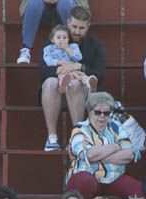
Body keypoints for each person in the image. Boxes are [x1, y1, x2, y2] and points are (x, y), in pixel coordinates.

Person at [65, 91, 146, 199]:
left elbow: (129, 155)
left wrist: (99, 155)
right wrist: (115, 146)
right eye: (98, 112)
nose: (102, 116)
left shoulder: (116, 126)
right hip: (88, 175)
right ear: (90, 112)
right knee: (84, 181)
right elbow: (87, 155)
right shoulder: (79, 128)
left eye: (106, 113)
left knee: (137, 188)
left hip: (114, 177)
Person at [38, 5, 103, 151]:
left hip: (81, 91)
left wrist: (79, 67)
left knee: (74, 84)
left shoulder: (95, 45)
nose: (77, 31)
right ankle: (52, 138)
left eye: (82, 28)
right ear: (68, 22)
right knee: (49, 82)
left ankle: (77, 137)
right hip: (55, 91)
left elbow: (100, 74)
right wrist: (60, 69)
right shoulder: (55, 40)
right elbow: (41, 72)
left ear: (88, 26)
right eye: (74, 26)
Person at [18, 0, 73, 65]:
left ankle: (72, 48)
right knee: (34, 3)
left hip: (66, 8)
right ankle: (26, 49)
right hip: (42, 8)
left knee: (66, 3)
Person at [43, 25, 90, 93]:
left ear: (68, 39)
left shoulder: (73, 47)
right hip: (61, 69)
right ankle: (63, 84)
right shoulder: (49, 49)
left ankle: (89, 82)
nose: (62, 39)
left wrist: (68, 50)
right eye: (58, 37)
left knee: (80, 74)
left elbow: (79, 58)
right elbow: (48, 59)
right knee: (62, 75)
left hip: (72, 68)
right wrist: (58, 62)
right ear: (53, 40)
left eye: (65, 38)